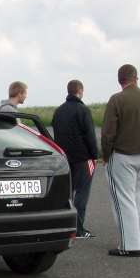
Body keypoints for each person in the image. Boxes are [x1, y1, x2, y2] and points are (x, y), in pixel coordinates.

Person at [101, 63, 140, 257]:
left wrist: (106, 155)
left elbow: (108, 132)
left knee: (124, 200)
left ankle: (129, 246)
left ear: (120, 80)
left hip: (123, 155)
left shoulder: (117, 99)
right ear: (136, 78)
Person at [52, 79, 98, 239]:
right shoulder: (83, 110)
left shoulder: (59, 111)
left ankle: (65, 226)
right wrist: (95, 155)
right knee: (82, 194)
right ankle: (78, 229)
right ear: (80, 91)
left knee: (67, 193)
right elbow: (90, 135)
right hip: (83, 158)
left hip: (65, 158)